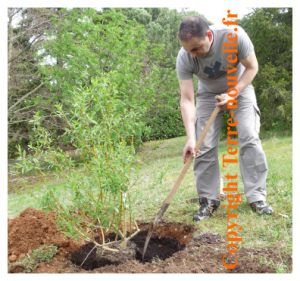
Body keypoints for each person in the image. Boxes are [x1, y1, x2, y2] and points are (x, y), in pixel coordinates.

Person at [176, 16, 273, 221]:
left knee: (249, 137)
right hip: (208, 95)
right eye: (187, 50)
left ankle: (256, 197)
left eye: (196, 48)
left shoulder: (234, 36)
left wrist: (234, 92)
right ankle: (208, 201)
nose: (192, 54)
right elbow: (186, 99)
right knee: (203, 146)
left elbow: (252, 67)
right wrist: (191, 139)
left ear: (209, 36)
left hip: (239, 89)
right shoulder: (185, 57)